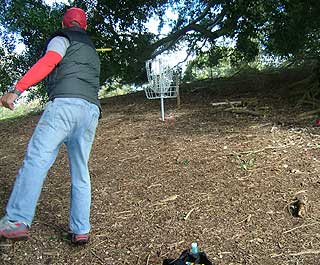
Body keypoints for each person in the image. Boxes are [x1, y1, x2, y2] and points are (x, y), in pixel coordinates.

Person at [0, 7, 101, 244]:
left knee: (37, 159)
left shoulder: (62, 38)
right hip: (90, 112)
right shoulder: (92, 51)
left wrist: (17, 90)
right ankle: (81, 228)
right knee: (80, 170)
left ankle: (16, 220)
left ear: (64, 24)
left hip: (64, 106)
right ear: (84, 26)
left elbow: (49, 62)